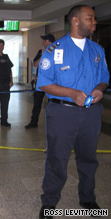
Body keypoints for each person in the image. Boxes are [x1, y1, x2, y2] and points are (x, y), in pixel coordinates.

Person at [36, 5, 110, 219]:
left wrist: (99, 89)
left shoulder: (98, 50)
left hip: (91, 113)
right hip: (62, 114)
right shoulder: (54, 50)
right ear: (76, 21)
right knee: (57, 159)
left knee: (88, 159)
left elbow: (105, 77)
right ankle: (49, 203)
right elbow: (44, 83)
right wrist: (72, 93)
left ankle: (87, 198)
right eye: (91, 18)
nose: (95, 22)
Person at [25, 34, 55, 129]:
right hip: (41, 82)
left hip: (53, 82)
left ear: (49, 42)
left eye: (44, 41)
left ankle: (54, 123)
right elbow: (35, 64)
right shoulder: (41, 52)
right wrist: (43, 53)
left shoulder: (57, 51)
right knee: (37, 103)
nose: (43, 42)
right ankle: (33, 122)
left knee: (53, 103)